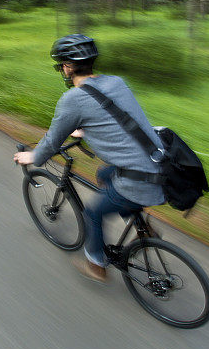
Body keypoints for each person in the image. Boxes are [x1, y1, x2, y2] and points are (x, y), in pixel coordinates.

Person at [13, 34, 164, 283]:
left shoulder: (72, 99)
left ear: (68, 67)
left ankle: (96, 265)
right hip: (160, 165)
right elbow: (120, 118)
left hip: (139, 180)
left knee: (92, 213)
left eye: (62, 64)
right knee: (104, 174)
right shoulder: (116, 82)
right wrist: (87, 129)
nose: (62, 69)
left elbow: (52, 141)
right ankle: (143, 228)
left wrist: (33, 156)